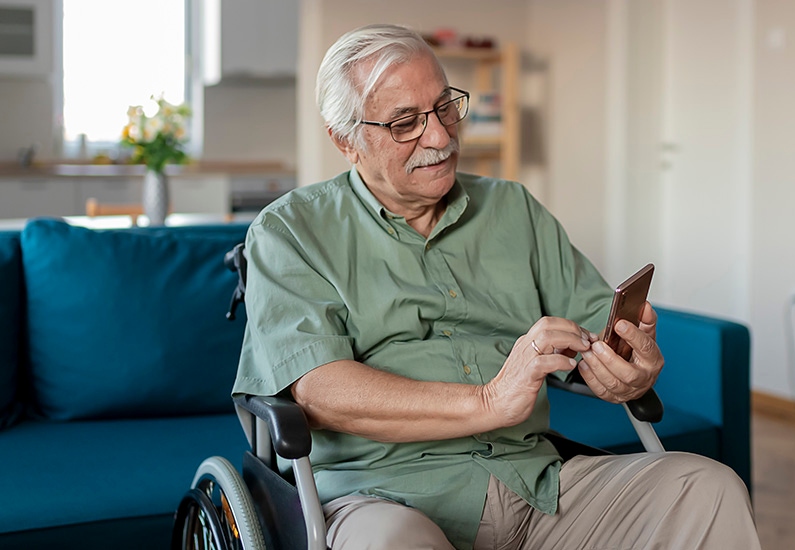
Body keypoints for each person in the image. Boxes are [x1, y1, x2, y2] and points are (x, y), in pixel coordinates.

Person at [233, 23, 761, 550]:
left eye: (444, 107)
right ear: (345, 140)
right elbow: (321, 393)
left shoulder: (514, 210)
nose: (440, 137)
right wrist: (489, 399)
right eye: (404, 124)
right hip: (383, 495)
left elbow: (604, 329)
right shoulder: (290, 232)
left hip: (536, 484)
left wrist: (629, 365)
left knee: (707, 489)